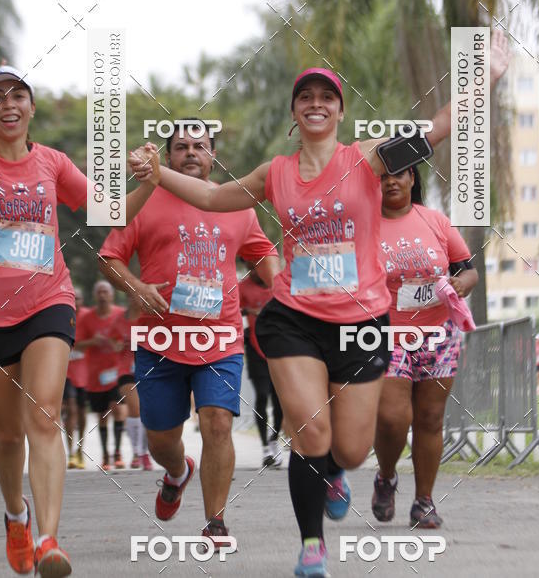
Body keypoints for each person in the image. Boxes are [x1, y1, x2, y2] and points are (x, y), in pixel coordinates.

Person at [129, 69, 454, 578]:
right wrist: (155, 175)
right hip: (294, 319)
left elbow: (435, 129)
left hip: (361, 321)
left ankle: (336, 473)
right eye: (306, 96)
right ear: (294, 113)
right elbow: (214, 198)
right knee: (310, 432)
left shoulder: (367, 158)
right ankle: (311, 547)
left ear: (341, 112)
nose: (317, 103)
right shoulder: (275, 173)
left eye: (327, 97)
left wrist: (484, 80)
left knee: (349, 447)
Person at [0, 48, 159, 578]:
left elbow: (107, 211)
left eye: (18, 95)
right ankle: (16, 515)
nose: (8, 104)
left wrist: (150, 180)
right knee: (8, 433)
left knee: (43, 413)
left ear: (31, 108)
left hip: (49, 302)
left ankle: (47, 540)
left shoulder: (52, 164)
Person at [99, 120, 279, 546]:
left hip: (220, 339)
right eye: (181, 147)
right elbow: (109, 258)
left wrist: (283, 285)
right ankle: (177, 472)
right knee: (162, 438)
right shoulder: (146, 201)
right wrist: (137, 289)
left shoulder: (237, 205)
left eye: (200, 146)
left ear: (213, 155)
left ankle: (215, 521)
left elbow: (264, 255)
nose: (191, 153)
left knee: (218, 422)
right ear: (168, 156)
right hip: (161, 341)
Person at [370, 164, 478, 529]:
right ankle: (386, 477)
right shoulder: (365, 225)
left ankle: (424, 501)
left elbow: (468, 269)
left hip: (439, 331)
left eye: (398, 174)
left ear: (412, 179)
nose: (390, 181)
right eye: (382, 175)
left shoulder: (435, 221)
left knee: (430, 418)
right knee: (391, 418)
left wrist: (462, 284)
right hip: (387, 333)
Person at [74, 280, 127, 470]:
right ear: (95, 296)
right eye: (100, 292)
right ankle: (105, 455)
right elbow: (77, 344)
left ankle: (118, 453)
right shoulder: (87, 318)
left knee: (118, 409)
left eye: (106, 292)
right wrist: (92, 341)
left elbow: (131, 337)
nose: (103, 295)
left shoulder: (120, 314)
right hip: (95, 374)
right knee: (102, 415)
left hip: (117, 371)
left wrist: (121, 345)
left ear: (112, 295)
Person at [239, 267, 283, 468]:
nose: (255, 270)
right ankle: (265, 447)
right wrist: (246, 311)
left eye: (258, 264)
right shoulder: (243, 288)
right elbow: (231, 309)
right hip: (256, 350)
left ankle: (274, 440)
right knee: (262, 395)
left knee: (280, 400)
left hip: (280, 349)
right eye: (251, 266)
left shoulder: (279, 283)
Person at [115, 296, 152, 470]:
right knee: (135, 410)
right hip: (125, 370)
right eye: (133, 296)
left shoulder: (149, 319)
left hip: (145, 370)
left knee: (146, 413)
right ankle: (137, 452)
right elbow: (113, 345)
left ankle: (144, 452)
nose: (136, 300)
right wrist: (119, 343)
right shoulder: (119, 320)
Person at [62, 287, 89, 469]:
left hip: (85, 373)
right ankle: (70, 452)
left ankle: (80, 450)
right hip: (66, 372)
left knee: (81, 412)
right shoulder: (62, 315)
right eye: (74, 298)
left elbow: (99, 338)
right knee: (71, 409)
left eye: (79, 298)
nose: (76, 301)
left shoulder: (89, 316)